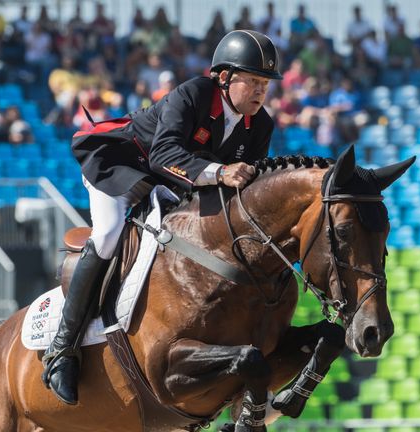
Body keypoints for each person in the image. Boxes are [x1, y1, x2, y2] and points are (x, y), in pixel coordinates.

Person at [41, 29, 283, 405]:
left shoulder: (261, 125)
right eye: (252, 81)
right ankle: (63, 348)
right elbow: (164, 154)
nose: (260, 92)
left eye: (265, 84)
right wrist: (220, 173)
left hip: (172, 184)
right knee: (107, 235)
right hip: (121, 166)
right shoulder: (193, 94)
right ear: (223, 77)